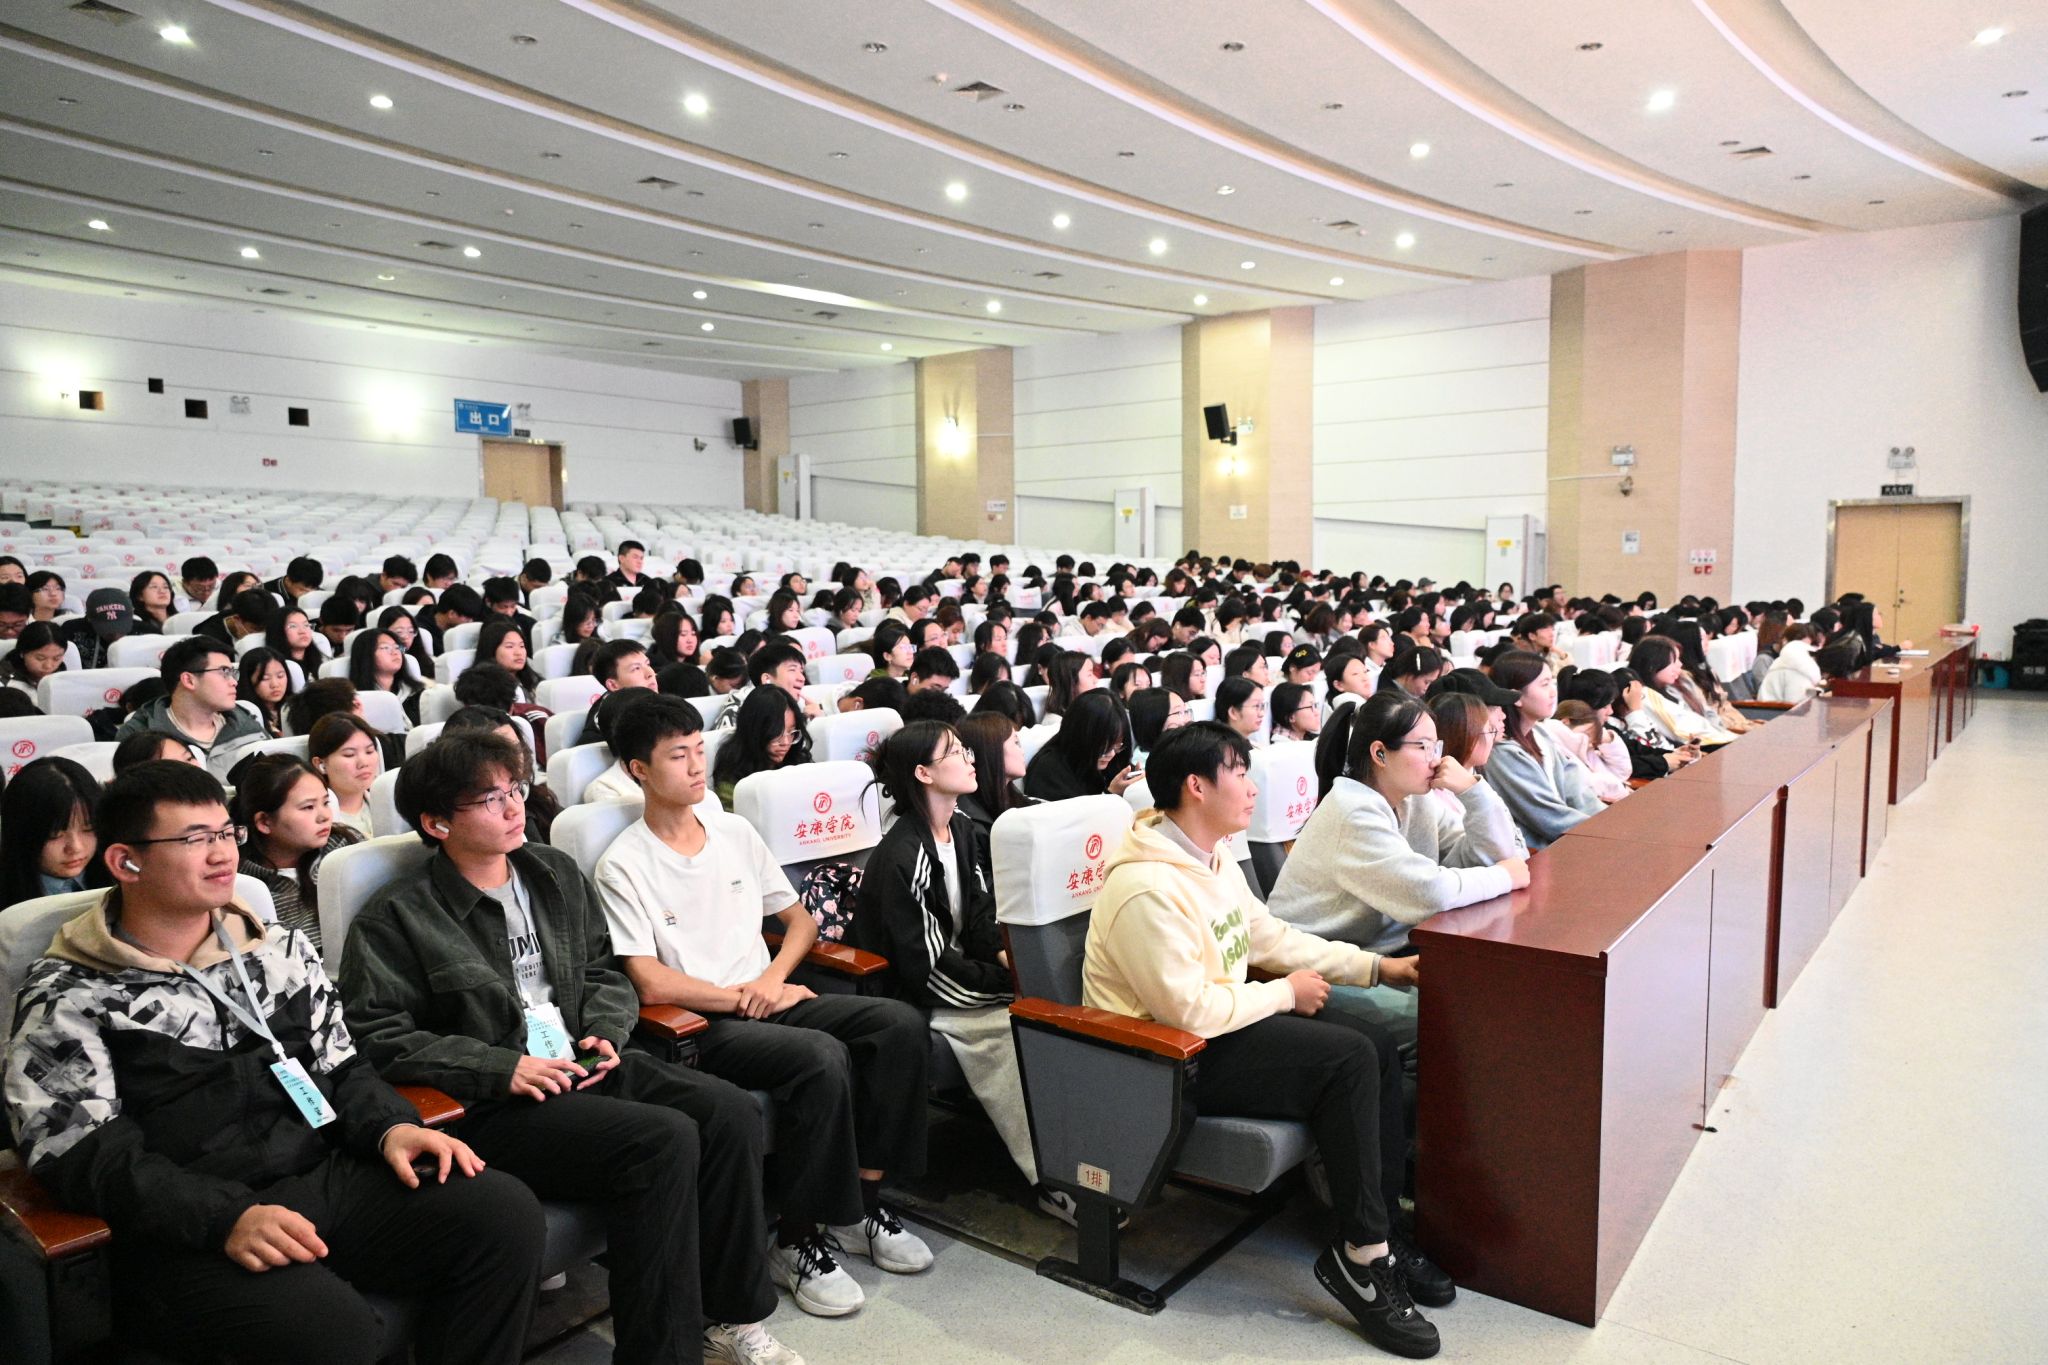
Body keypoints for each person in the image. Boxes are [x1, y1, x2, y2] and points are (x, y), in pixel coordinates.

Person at [2, 761, 544, 1364]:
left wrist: (391, 1127)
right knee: (332, 1331)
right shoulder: (70, 992)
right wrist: (224, 1217)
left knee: (502, 1215)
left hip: (319, 1175)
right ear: (126, 861)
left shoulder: (275, 947)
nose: (222, 854)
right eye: (194, 839)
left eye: (224, 833)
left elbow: (341, 1066)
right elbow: (82, 1152)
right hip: (185, 1226)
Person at [336, 730, 787, 1365]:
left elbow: (602, 970)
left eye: (514, 789)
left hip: (583, 1060)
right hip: (495, 1100)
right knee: (662, 1139)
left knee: (730, 1112)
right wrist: (501, 1067)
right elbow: (380, 1036)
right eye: (488, 799)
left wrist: (606, 1030)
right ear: (437, 823)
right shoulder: (399, 916)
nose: (513, 807)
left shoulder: (552, 873)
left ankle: (731, 1316)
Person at [1082, 723, 1453, 1357]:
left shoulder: (1211, 856)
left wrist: (1374, 967)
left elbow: (1270, 938)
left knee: (1371, 1043)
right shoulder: (1146, 886)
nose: (1253, 789)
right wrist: (1284, 993)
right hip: (1165, 1058)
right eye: (1239, 774)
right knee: (1347, 1059)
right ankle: (1362, 1259)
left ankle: (1380, 1232)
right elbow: (1187, 1010)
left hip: (1218, 1028)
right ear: (1197, 787)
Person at [594, 698, 933, 1314]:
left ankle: (861, 1207)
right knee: (819, 1057)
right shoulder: (623, 863)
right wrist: (745, 997)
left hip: (768, 995)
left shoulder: (733, 832)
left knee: (899, 1026)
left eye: (700, 750)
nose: (696, 766)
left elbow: (799, 922)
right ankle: (796, 1239)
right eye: (678, 755)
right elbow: (648, 981)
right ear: (639, 769)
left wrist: (774, 979)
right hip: (702, 1025)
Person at [856, 723, 1066, 1217]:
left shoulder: (964, 830)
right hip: (914, 994)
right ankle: (1056, 1179)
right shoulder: (903, 855)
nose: (970, 758)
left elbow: (980, 917)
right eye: (954, 752)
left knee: (1048, 1017)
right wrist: (1008, 988)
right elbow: (927, 970)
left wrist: (1014, 967)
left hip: (961, 974)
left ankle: (1081, 1161)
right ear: (923, 773)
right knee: (1013, 1029)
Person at [232, 753, 363, 949]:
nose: (324, 816)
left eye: (325, 803)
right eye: (308, 807)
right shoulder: (243, 887)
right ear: (264, 822)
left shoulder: (347, 847)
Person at [1481, 650, 1604, 850]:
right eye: (1544, 684)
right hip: (1540, 853)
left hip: (1572, 840)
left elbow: (1578, 790)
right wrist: (1605, 830)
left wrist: (1610, 819)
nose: (1553, 692)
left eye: (1551, 682)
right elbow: (1549, 817)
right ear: (1516, 696)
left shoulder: (1541, 733)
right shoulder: (1501, 753)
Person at [115, 638, 266, 764]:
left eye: (233, 673)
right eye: (224, 672)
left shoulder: (246, 722)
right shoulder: (138, 734)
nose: (233, 682)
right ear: (189, 680)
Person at [0, 757, 104, 907]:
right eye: (54, 835)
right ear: (22, 833)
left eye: (89, 829)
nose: (76, 847)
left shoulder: (121, 876)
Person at [1023, 690, 1138, 801]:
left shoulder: (1112, 759)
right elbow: (1074, 813)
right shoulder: (1048, 772)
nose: (1111, 754)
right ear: (1080, 736)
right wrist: (1111, 794)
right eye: (1104, 747)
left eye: (1116, 746)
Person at [712, 685, 811, 808]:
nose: (786, 742)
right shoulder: (732, 772)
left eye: (791, 732)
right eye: (777, 733)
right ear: (755, 730)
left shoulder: (798, 759)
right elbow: (736, 816)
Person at [954, 711, 1032, 838]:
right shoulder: (968, 823)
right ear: (992, 751)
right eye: (1015, 743)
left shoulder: (1017, 799)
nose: (1022, 751)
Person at [310, 712, 382, 839]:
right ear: (321, 764)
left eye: (369, 751)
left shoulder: (387, 805)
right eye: (349, 754)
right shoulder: (317, 822)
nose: (363, 763)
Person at [347, 628, 424, 726]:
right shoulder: (357, 702)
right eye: (386, 648)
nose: (395, 652)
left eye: (397, 647)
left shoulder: (416, 693)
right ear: (366, 655)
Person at [475, 618, 542, 702]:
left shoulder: (532, 680)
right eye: (510, 646)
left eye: (522, 646)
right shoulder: (483, 687)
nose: (518, 653)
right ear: (491, 650)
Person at [238, 646, 296, 737]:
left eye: (280, 676)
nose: (275, 685)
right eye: (265, 678)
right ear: (248, 681)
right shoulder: (243, 716)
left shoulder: (297, 706)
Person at [0, 620, 65, 701]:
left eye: (56, 658)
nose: (48, 666)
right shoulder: (4, 683)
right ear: (22, 653)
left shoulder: (66, 677)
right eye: (40, 658)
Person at [1757, 623, 1823, 703]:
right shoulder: (1795, 667)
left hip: (1769, 707)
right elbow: (1795, 703)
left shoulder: (1781, 662)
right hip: (1776, 709)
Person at [1214, 676, 1267, 742]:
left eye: (1262, 706)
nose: (1262, 714)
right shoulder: (1223, 747)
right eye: (1256, 706)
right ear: (1233, 712)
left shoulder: (1245, 744)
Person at [128, 570, 175, 635]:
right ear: (139, 596)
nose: (162, 591)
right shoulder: (136, 624)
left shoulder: (180, 619)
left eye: (165, 587)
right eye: (154, 587)